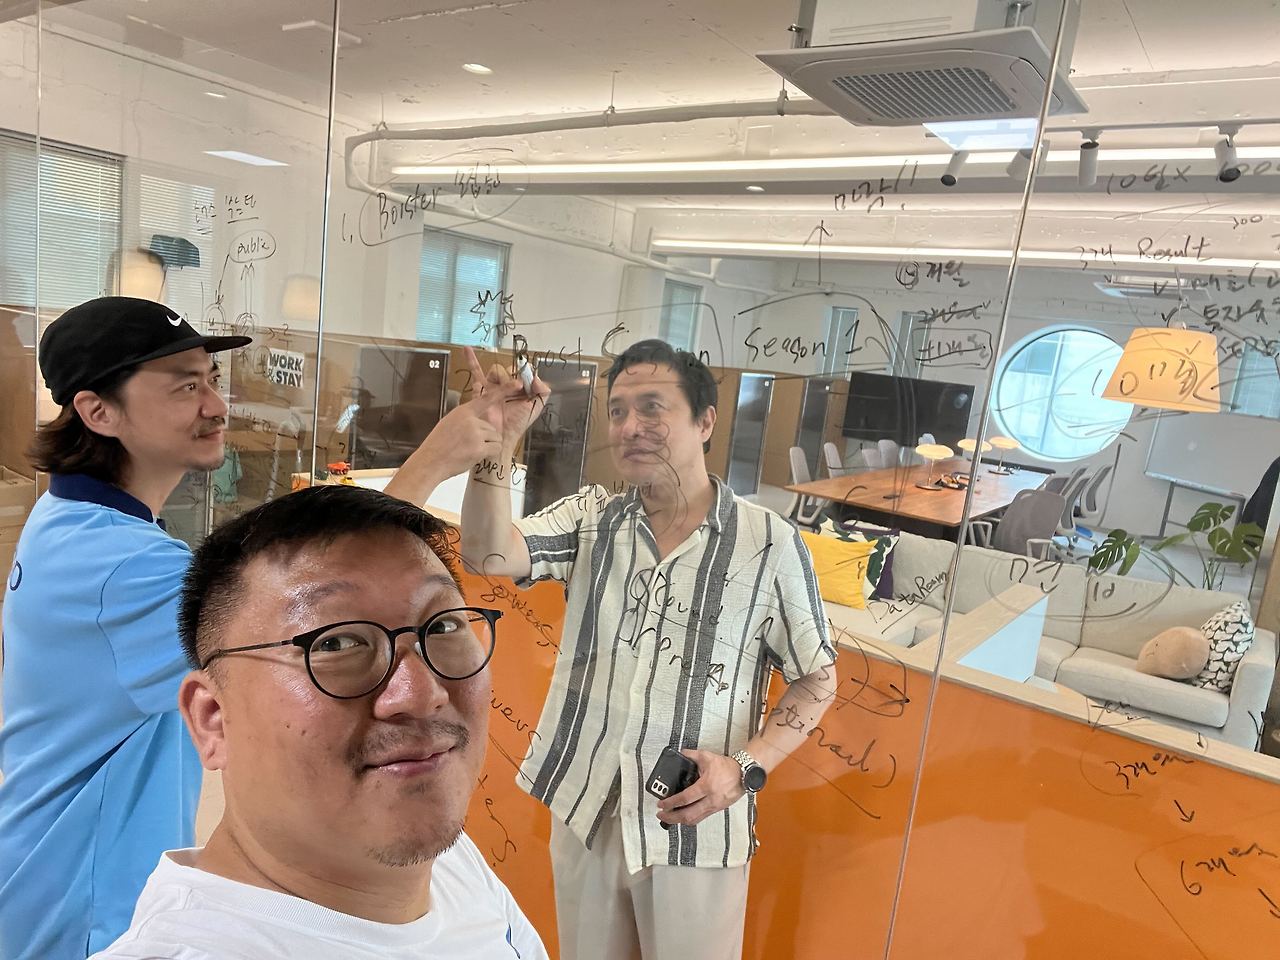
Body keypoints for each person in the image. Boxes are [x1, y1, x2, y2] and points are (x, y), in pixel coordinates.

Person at [0, 298, 500, 959]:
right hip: (83, 899)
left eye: (211, 380)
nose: (216, 405)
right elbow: (326, 593)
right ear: (98, 412)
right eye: (185, 387)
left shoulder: (71, 520)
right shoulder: (118, 566)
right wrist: (435, 460)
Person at [460, 338, 838, 960]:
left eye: (653, 408)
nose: (630, 427)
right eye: (617, 411)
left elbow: (817, 677)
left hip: (693, 825)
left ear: (705, 421)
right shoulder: (592, 519)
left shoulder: (768, 543)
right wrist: (497, 446)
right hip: (587, 805)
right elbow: (488, 553)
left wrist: (745, 769)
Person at [88, 484, 547, 959]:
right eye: (335, 643)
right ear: (214, 720)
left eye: (444, 626)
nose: (421, 694)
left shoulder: (453, 865)